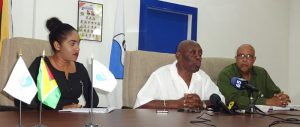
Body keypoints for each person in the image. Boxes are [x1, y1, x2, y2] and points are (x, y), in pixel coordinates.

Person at [15, 17, 99, 110]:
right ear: (57, 45)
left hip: (74, 119)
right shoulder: (41, 64)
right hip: (47, 119)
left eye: (78, 44)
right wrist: (61, 108)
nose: (77, 48)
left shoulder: (80, 68)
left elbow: (93, 99)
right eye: (72, 44)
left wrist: (84, 112)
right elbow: (22, 100)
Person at [134, 40, 225, 110]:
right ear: (178, 56)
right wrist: (176, 103)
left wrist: (202, 104)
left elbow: (221, 100)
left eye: (200, 53)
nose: (198, 57)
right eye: (193, 53)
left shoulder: (202, 77)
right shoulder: (160, 75)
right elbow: (140, 104)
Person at [217, 44, 290, 109]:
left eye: (249, 56)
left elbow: (274, 93)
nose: (244, 60)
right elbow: (232, 100)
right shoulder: (226, 75)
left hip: (261, 119)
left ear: (254, 60)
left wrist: (281, 98)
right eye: (241, 56)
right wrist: (267, 101)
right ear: (236, 58)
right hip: (235, 119)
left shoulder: (261, 73)